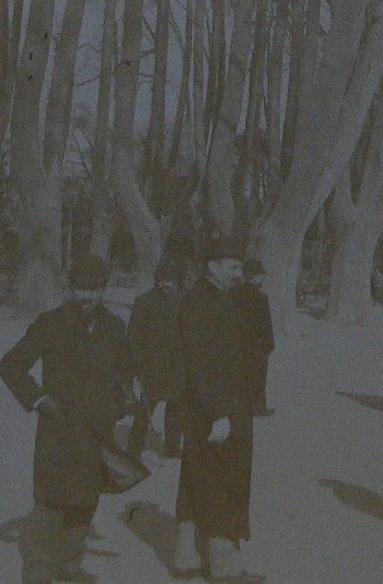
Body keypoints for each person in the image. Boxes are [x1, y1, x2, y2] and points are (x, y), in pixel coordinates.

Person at [0, 254, 135, 584]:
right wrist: (40, 400)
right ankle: (40, 567)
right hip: (58, 428)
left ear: (103, 289)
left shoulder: (115, 326)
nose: (87, 297)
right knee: (50, 501)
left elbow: (125, 369)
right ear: (70, 288)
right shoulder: (51, 323)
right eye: (81, 289)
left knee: (86, 499)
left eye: (94, 289)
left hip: (96, 431)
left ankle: (70, 564)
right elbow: (11, 366)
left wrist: (119, 404)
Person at [173, 238, 263, 583]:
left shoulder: (212, 297)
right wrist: (219, 413)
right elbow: (197, 365)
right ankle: (225, 567)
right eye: (234, 266)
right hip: (215, 411)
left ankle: (188, 557)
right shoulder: (201, 302)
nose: (240, 273)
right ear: (212, 266)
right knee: (224, 482)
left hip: (213, 408)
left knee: (197, 480)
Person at [126, 259, 185, 458]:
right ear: (156, 280)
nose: (165, 285)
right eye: (161, 280)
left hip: (176, 365)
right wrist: (137, 362)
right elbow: (134, 335)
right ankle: (134, 447)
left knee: (176, 408)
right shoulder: (144, 301)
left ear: (175, 281)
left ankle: (172, 447)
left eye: (169, 281)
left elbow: (189, 333)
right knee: (145, 407)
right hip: (151, 364)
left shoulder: (182, 301)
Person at [234, 257, 276, 417]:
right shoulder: (260, 298)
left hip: (238, 342)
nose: (262, 277)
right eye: (260, 274)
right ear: (254, 276)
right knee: (258, 376)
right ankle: (258, 407)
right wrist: (269, 344)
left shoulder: (233, 294)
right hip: (256, 344)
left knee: (240, 375)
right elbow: (266, 324)